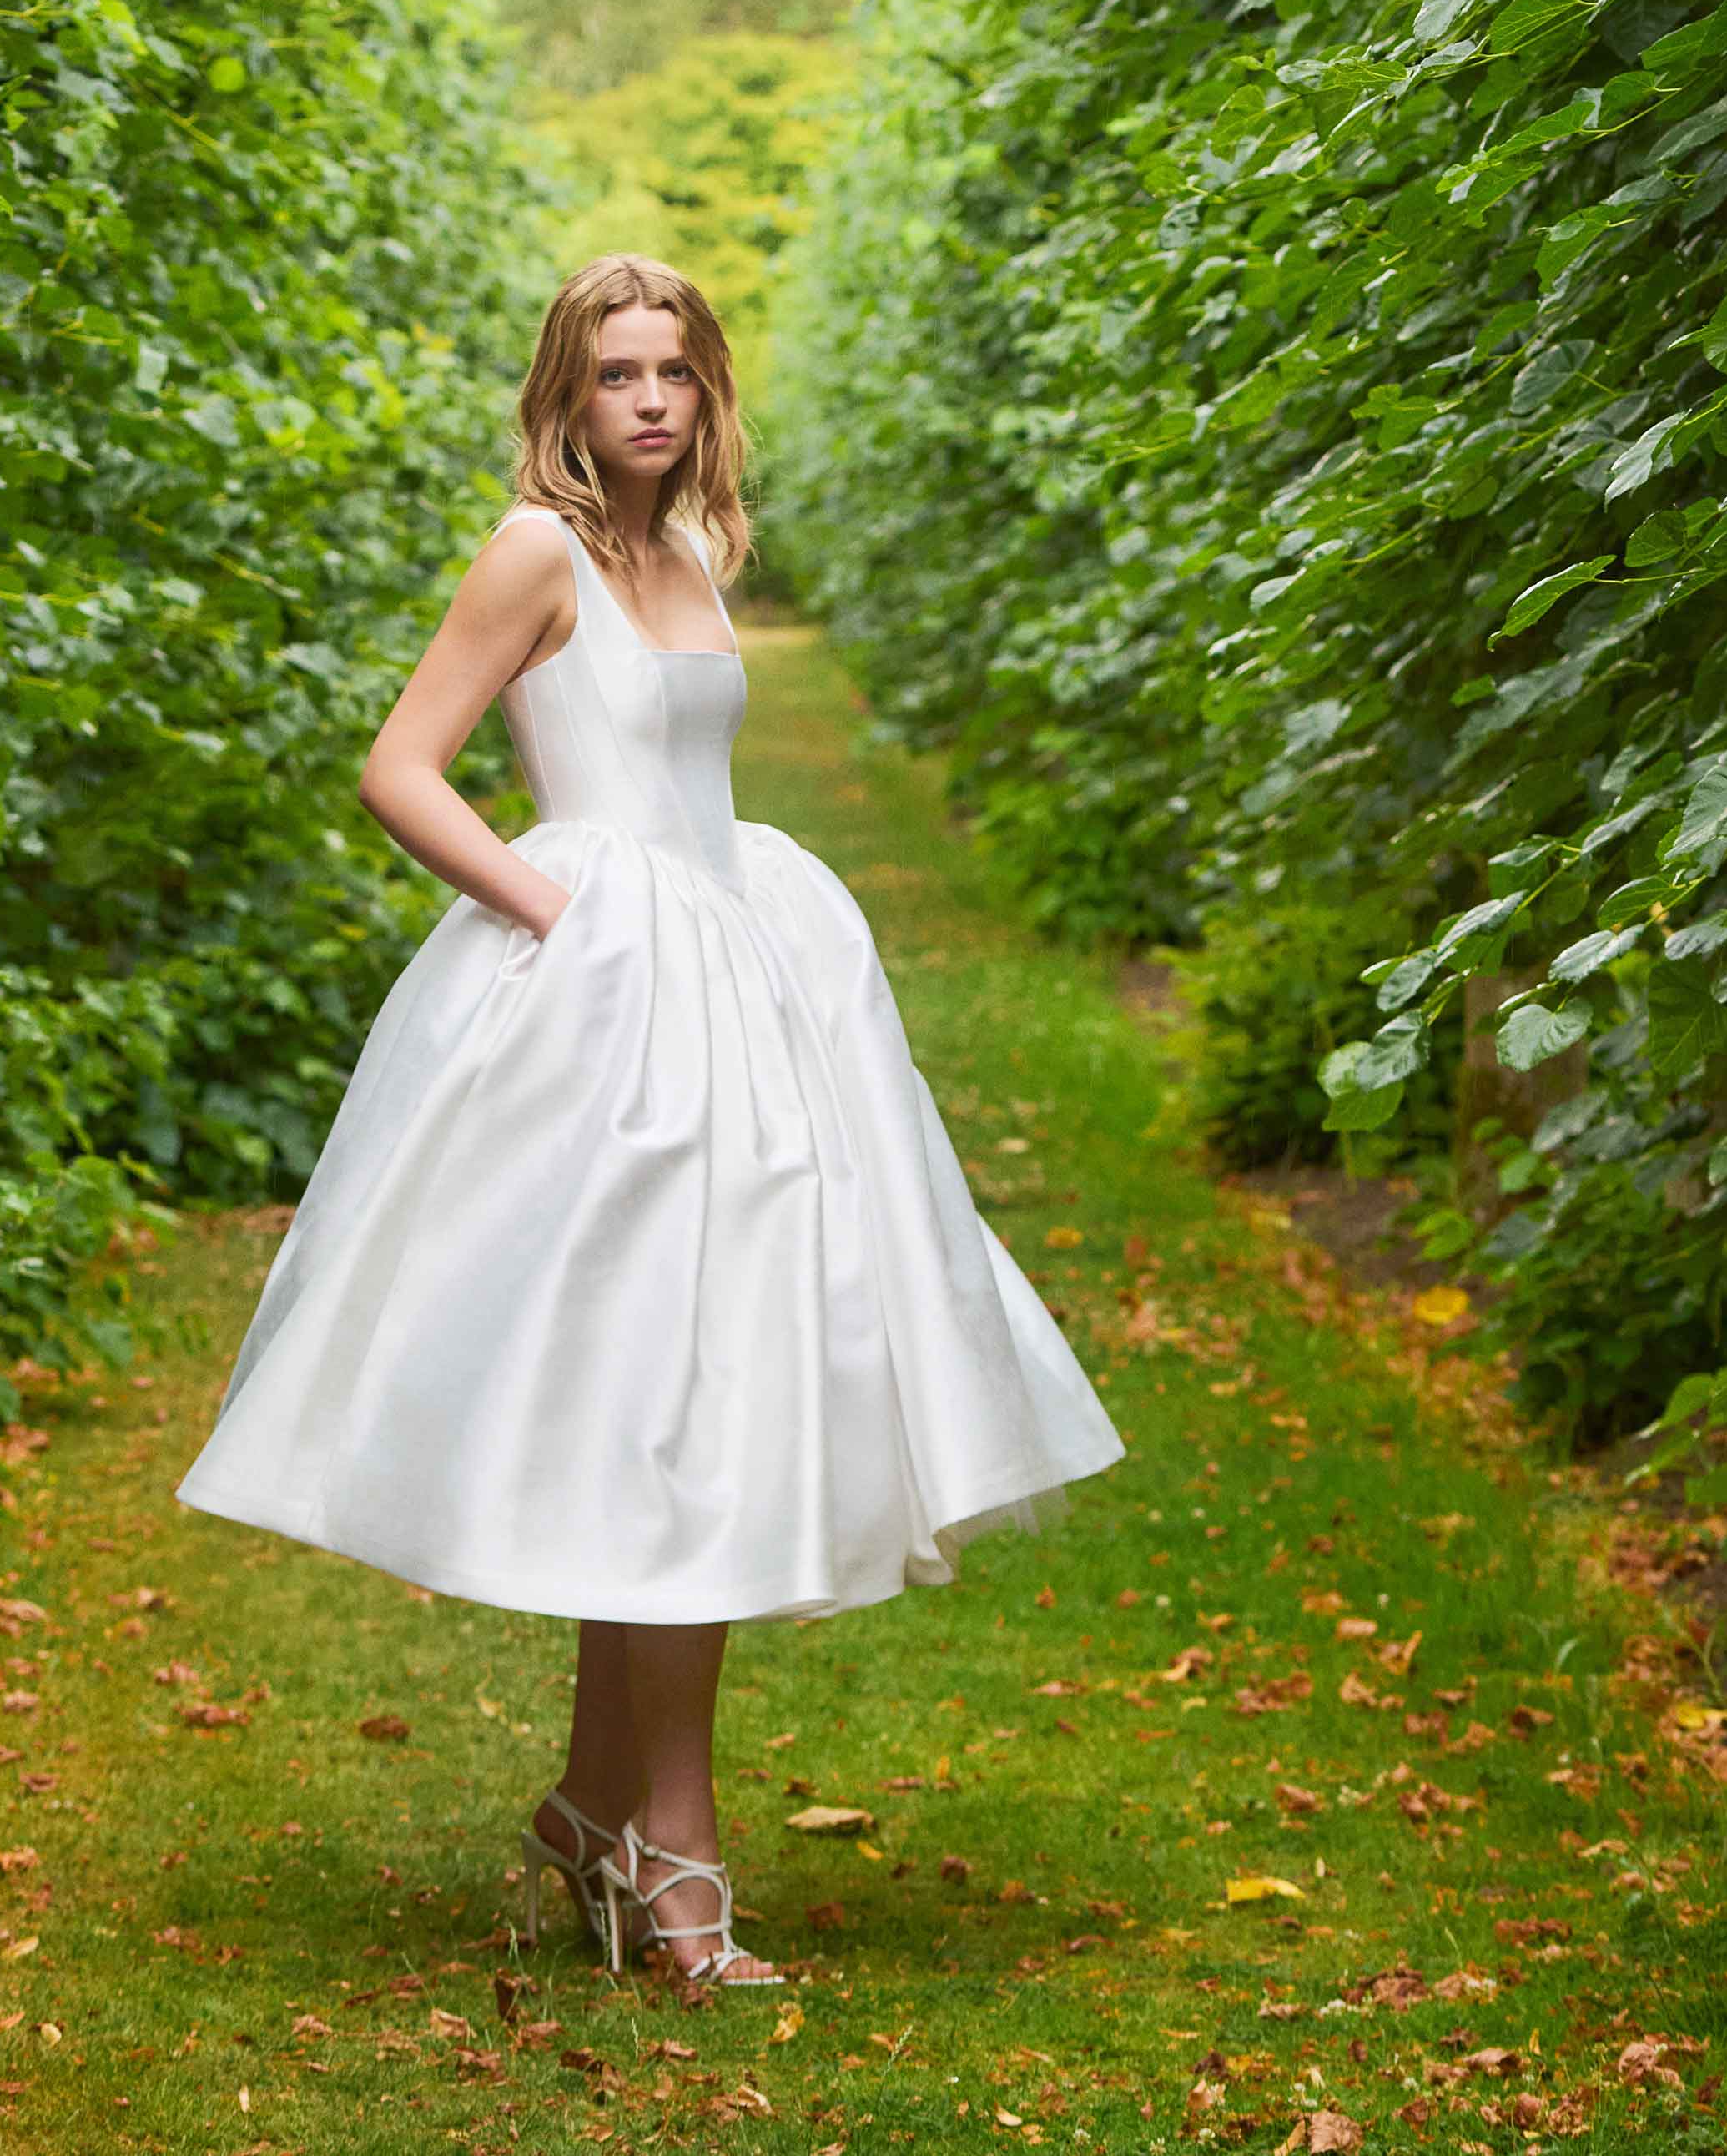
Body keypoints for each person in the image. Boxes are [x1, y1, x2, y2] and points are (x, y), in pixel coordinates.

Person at [175, 254, 1124, 1986]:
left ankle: (594, 1808)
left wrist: (703, 919)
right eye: (616, 372)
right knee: (669, 1388)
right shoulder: (534, 553)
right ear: (566, 391)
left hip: (748, 973)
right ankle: (670, 1860)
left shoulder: (685, 550)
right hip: (613, 1000)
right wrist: (558, 914)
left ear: (705, 388)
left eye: (673, 370)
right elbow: (400, 766)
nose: (649, 400)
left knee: (710, 1376)